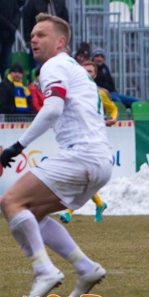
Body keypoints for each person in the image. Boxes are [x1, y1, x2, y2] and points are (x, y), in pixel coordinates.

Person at [0, 13, 111, 297]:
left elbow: (52, 110)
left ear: (61, 42)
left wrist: (18, 145)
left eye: (41, 35)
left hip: (81, 157)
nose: (33, 39)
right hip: (100, 162)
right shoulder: (74, 69)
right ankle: (85, 268)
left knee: (11, 201)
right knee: (33, 213)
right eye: (32, 35)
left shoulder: (54, 65)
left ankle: (44, 271)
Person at [59, 60, 113, 225]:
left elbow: (113, 109)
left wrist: (113, 119)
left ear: (95, 74)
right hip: (77, 139)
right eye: (84, 71)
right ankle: (98, 204)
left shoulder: (99, 93)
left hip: (93, 140)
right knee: (82, 176)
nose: (86, 74)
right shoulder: (74, 93)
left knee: (82, 176)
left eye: (90, 71)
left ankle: (69, 211)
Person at [22, 0, 69, 66]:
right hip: (39, 42)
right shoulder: (33, 2)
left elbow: (65, 22)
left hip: (56, 42)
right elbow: (27, 21)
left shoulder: (60, 2)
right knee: (38, 69)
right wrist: (28, 39)